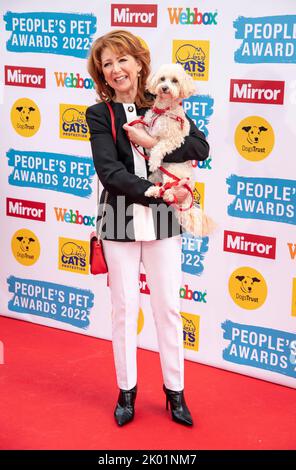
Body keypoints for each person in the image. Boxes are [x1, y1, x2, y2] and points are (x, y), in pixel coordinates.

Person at [86, 30, 209, 427]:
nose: (116, 69)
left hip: (162, 222)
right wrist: (159, 190)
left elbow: (201, 148)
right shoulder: (98, 114)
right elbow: (110, 172)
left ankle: (176, 394)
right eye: (107, 64)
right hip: (120, 217)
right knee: (124, 309)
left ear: (139, 63)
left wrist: (148, 138)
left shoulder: (162, 103)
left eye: (122, 59)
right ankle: (127, 391)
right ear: (102, 75)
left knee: (169, 308)